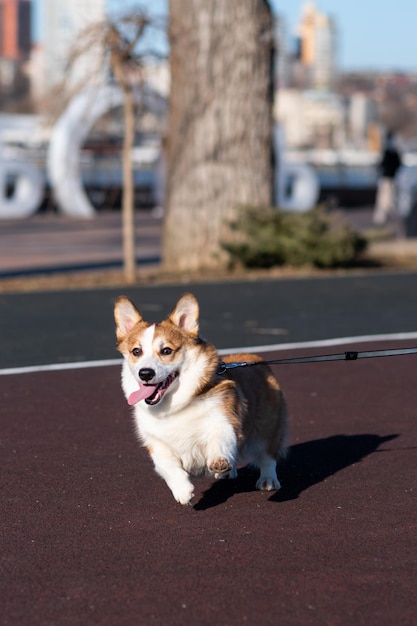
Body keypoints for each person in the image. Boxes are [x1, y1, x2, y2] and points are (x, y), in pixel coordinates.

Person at [373, 130, 402, 225]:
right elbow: (399, 164)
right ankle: (386, 218)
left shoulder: (388, 152)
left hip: (387, 179)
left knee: (386, 199)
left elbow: (381, 165)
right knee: (388, 199)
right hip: (390, 179)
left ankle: (383, 218)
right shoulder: (393, 152)